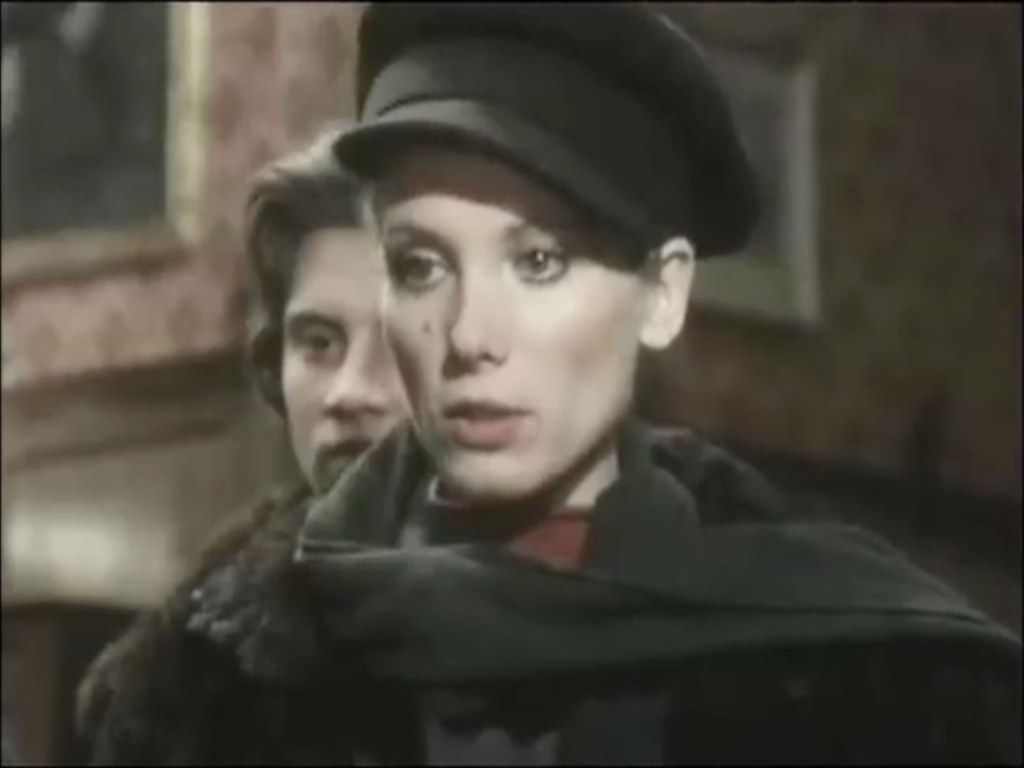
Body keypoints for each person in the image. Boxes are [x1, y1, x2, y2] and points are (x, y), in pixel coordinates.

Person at [290, 3, 1020, 765]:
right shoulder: (251, 663)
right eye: (420, 266)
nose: (470, 335)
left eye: (540, 261)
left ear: (663, 294)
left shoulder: (874, 678)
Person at [74, 126, 409, 763]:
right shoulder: (193, 670)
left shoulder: (569, 643)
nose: (347, 392)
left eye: (397, 346)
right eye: (318, 343)